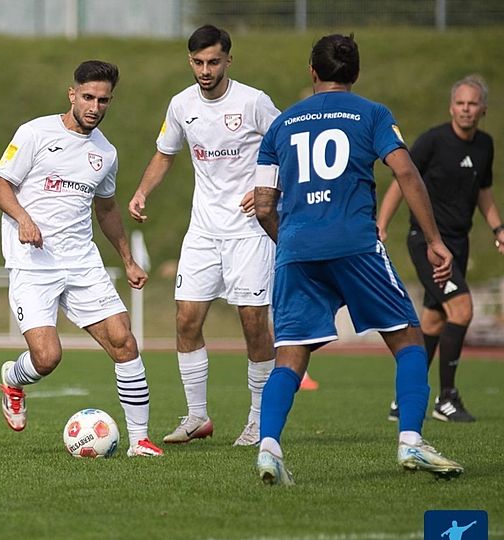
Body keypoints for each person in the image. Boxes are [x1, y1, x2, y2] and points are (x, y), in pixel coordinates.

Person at [252, 34, 463, 485]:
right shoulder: (372, 114)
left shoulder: (282, 124)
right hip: (355, 244)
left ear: (312, 71)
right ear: (356, 73)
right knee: (408, 339)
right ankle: (410, 440)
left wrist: (291, 243)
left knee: (289, 356)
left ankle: (269, 447)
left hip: (296, 251)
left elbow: (264, 205)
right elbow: (406, 172)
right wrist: (434, 240)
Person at [0, 60, 163, 457]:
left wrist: (127, 260)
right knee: (47, 358)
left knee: (124, 341)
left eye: (103, 100)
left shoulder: (105, 153)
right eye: (88, 97)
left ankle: (140, 441)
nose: (95, 107)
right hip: (32, 262)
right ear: (72, 94)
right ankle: (13, 378)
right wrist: (24, 219)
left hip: (82, 261)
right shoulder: (34, 133)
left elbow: (107, 209)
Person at [128, 24, 279, 446]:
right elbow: (165, 153)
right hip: (203, 231)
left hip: (249, 231)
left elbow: (289, 146)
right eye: (198, 62)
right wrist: (141, 191)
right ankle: (197, 416)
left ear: (229, 59)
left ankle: (258, 420)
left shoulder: (254, 102)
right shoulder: (182, 105)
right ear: (190, 61)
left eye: (213, 61)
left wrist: (268, 187)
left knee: (254, 324)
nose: (205, 70)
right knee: (186, 319)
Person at [378, 74, 503, 423]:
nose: (466, 109)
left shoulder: (485, 145)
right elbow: (402, 181)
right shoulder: (433, 141)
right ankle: (446, 398)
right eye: (460, 103)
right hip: (428, 244)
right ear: (451, 107)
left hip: (459, 244)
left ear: (483, 109)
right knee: (461, 310)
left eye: (472, 104)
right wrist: (381, 224)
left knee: (433, 320)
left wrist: (498, 228)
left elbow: (483, 191)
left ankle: (405, 398)